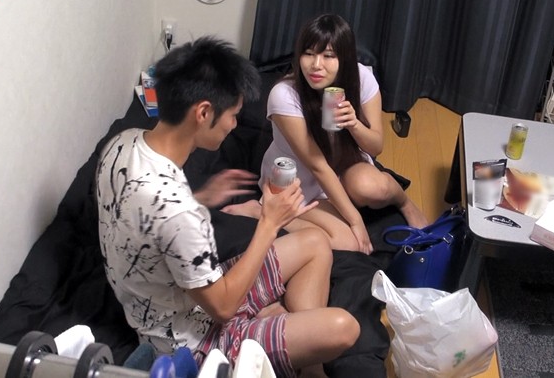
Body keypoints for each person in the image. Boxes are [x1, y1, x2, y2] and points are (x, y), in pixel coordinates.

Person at [96, 37, 359, 377]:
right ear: (204, 113)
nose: (234, 125)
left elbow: (145, 216)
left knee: (316, 242)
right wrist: (268, 222)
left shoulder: (123, 142)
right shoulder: (180, 213)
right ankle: (298, 355)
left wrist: (202, 198)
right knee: (342, 328)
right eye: (233, 116)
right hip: (191, 341)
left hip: (188, 293)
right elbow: (222, 308)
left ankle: (293, 344)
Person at [224, 14, 429, 254]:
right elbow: (318, 165)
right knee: (349, 244)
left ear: (345, 58)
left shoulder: (361, 78)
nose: (316, 65)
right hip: (300, 177)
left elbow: (376, 147)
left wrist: (354, 124)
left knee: (374, 187)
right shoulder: (284, 95)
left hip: (345, 162)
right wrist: (356, 221)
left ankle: (405, 203)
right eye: (308, 53)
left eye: (329, 56)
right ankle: (259, 212)